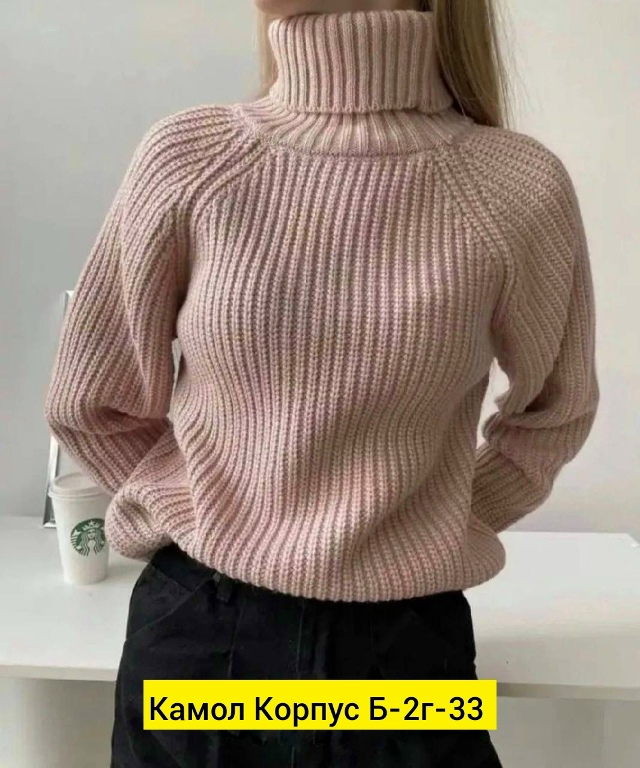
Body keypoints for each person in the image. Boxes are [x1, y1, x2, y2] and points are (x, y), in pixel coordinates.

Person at [43, 0, 600, 765]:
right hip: (200, 631)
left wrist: (436, 523)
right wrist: (190, 503)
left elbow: (555, 412)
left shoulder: (514, 185)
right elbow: (92, 400)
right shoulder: (191, 158)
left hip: (405, 648)